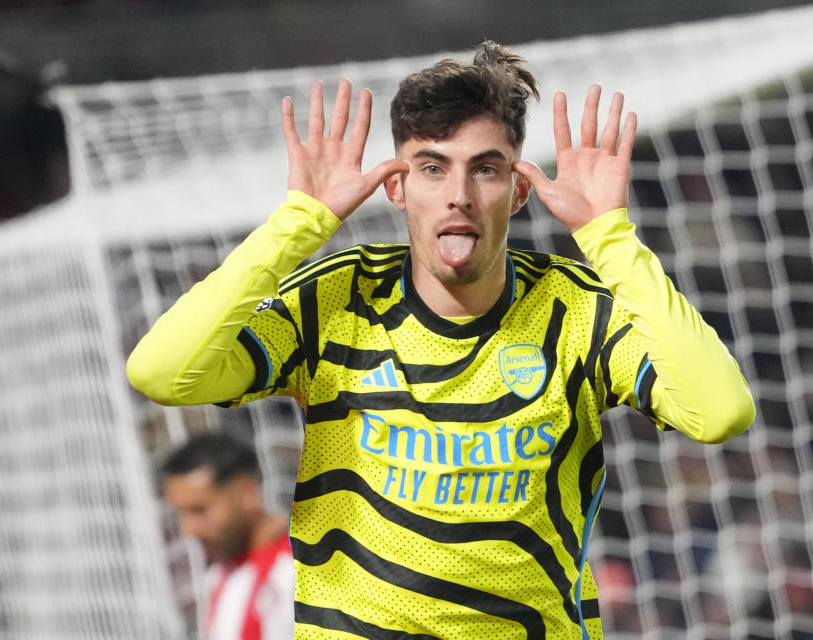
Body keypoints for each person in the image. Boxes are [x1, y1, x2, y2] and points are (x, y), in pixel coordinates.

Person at [129, 41, 755, 639]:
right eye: (432, 168)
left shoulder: (575, 310)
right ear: (397, 188)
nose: (458, 196)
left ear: (518, 189)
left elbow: (720, 412)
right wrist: (299, 222)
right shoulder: (338, 298)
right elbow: (164, 372)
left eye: (484, 169)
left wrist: (609, 238)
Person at [160, 432, 294, 640]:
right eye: (181, 514)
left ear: (246, 493)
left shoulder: (304, 565)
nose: (189, 530)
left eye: (199, 510)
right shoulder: (217, 577)